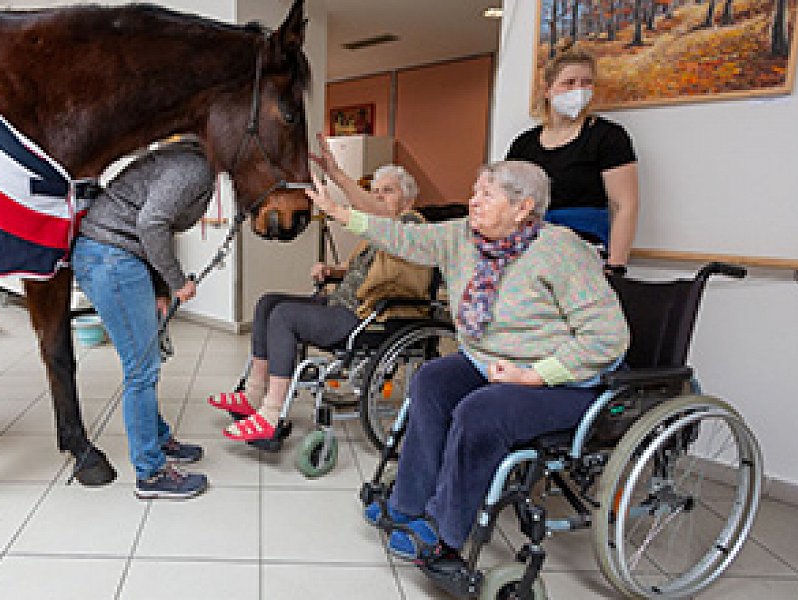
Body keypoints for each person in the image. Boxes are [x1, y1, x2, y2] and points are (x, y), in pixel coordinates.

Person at [305, 158, 629, 576]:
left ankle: (445, 531)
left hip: (562, 380)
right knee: (431, 380)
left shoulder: (560, 250)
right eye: (474, 192)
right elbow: (404, 237)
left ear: (523, 207)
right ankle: (410, 502)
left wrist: (533, 376)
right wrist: (341, 214)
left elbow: (608, 339)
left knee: (482, 412)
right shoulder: (462, 237)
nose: (472, 202)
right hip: (492, 363)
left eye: (486, 195)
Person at [212, 152, 432, 443]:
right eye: (374, 191)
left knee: (284, 317)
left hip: (368, 316)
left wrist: (338, 180)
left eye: (387, 191)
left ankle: (270, 412)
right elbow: (364, 270)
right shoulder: (378, 233)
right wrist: (334, 271)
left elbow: (397, 278)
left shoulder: (411, 228)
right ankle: (253, 392)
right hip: (340, 303)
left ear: (409, 200)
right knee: (267, 303)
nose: (378, 198)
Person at [71, 138, 212, 500]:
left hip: (114, 256)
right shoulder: (194, 167)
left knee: (143, 364)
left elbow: (146, 222)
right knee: (141, 369)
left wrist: (160, 289)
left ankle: (160, 440)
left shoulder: (186, 162)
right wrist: (178, 282)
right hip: (112, 258)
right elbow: (151, 223)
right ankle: (149, 474)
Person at [505, 42, 639, 273]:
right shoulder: (523, 144)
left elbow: (625, 205)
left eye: (586, 83)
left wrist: (616, 265)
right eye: (569, 83)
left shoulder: (608, 137)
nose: (579, 89)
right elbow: (507, 201)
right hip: (529, 251)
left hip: (583, 251)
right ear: (547, 90)